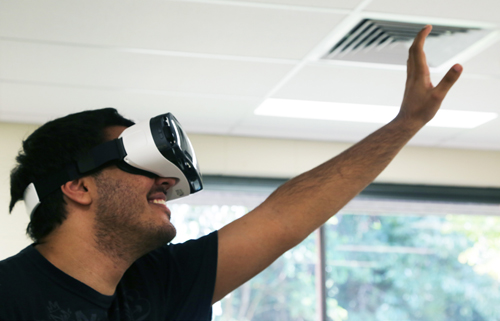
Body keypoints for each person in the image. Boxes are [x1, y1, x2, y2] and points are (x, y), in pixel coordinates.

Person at [1, 26, 462, 320]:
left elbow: (284, 219)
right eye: (139, 160)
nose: (166, 180)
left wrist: (406, 125)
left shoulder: (163, 282)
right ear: (79, 186)